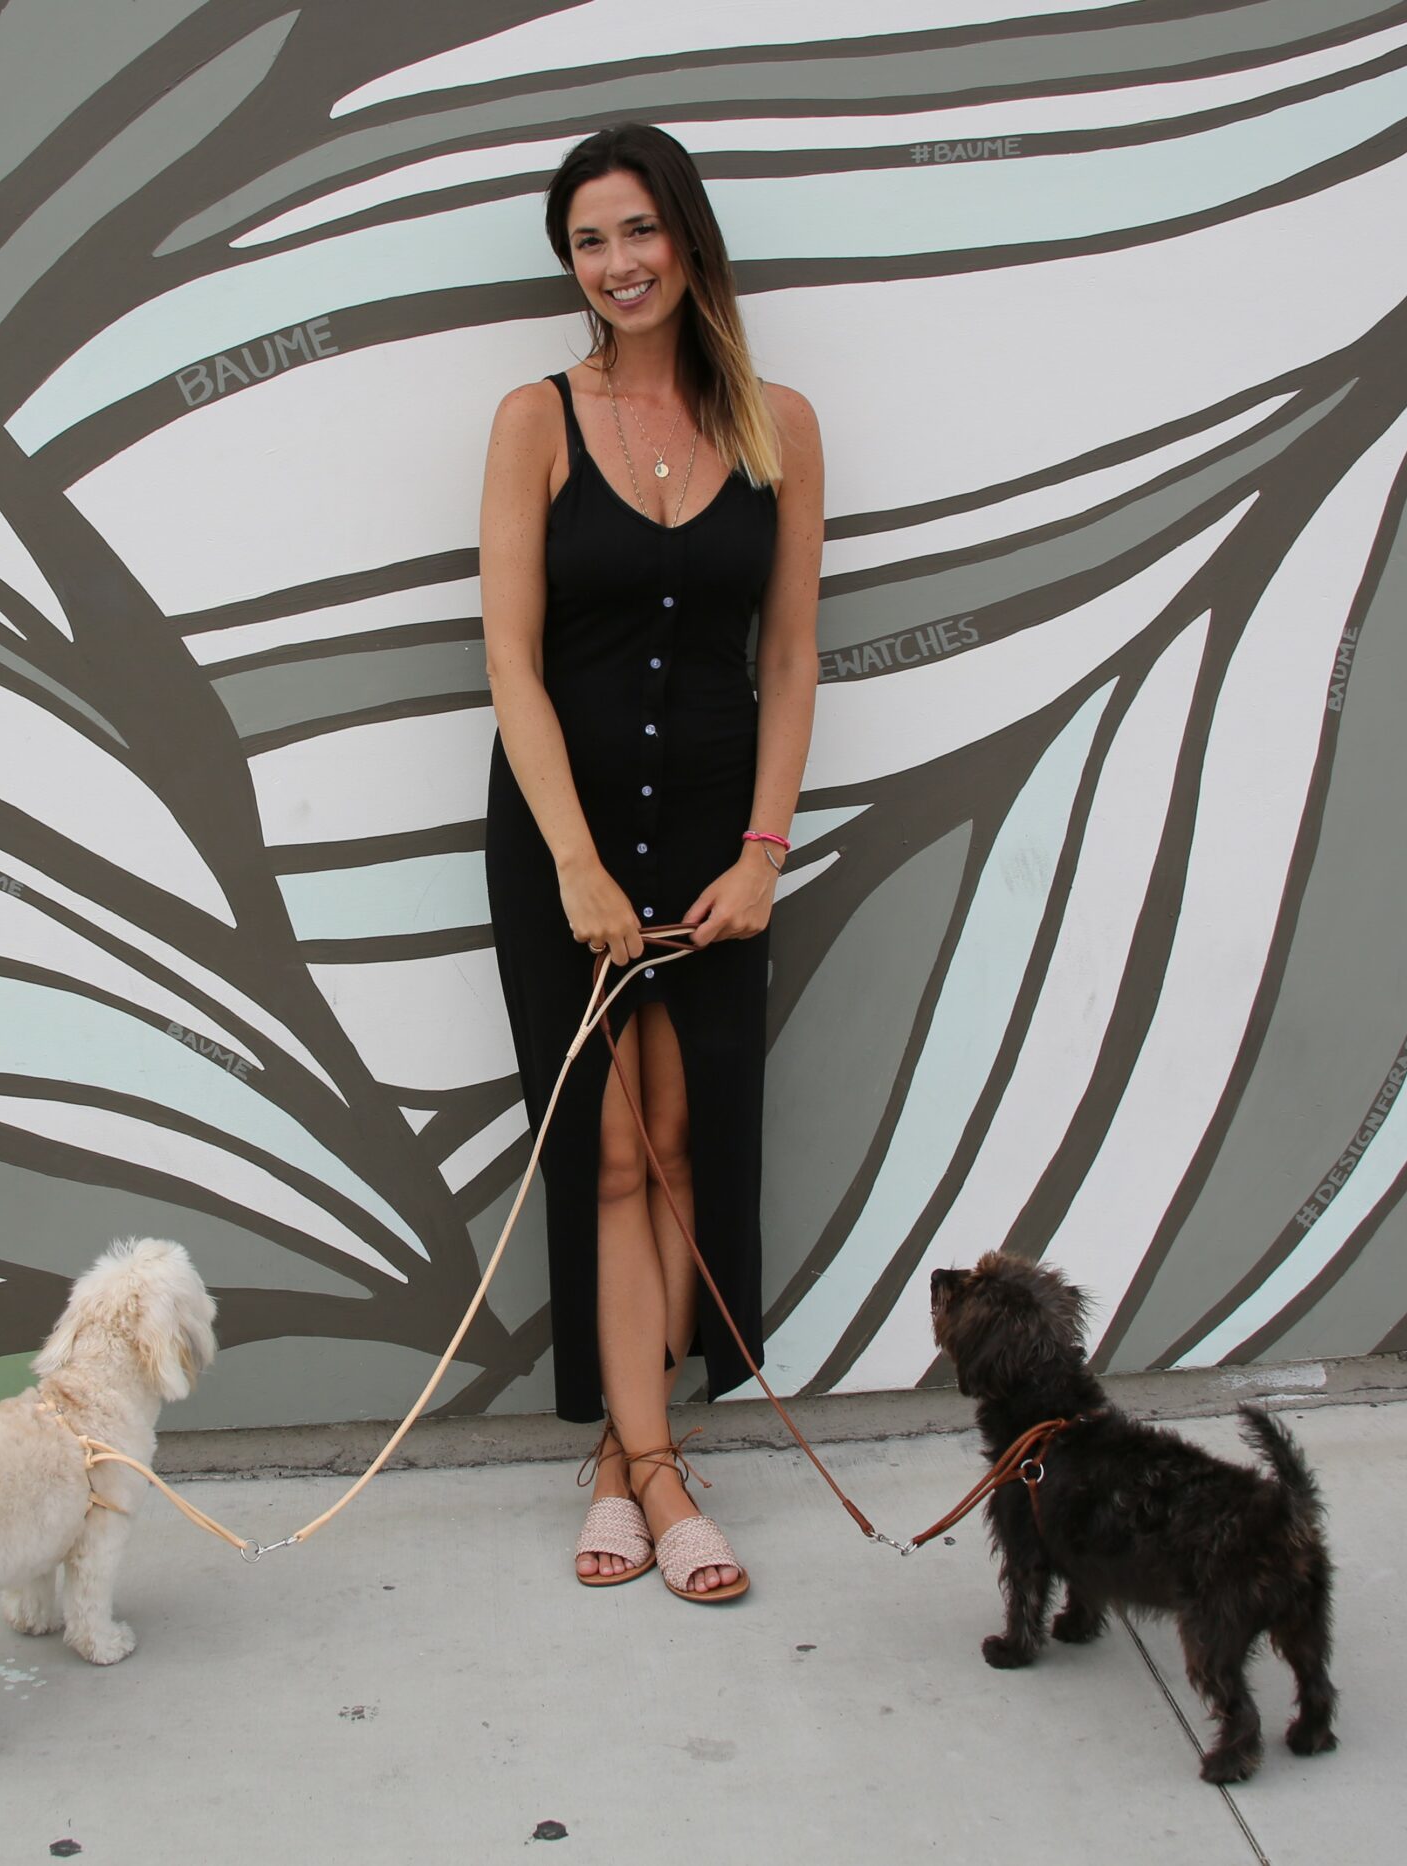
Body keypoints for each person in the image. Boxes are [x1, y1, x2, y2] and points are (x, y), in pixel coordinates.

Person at [479, 123, 823, 1602]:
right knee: (609, 1151)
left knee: (687, 1147)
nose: (616, 264)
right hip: (563, 836)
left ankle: (626, 1459)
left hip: (712, 839)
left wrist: (762, 851)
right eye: (587, 242)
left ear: (685, 235)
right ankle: (662, 1472)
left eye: (636, 230)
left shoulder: (779, 424)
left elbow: (790, 656)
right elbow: (510, 657)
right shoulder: (535, 420)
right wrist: (572, 863)